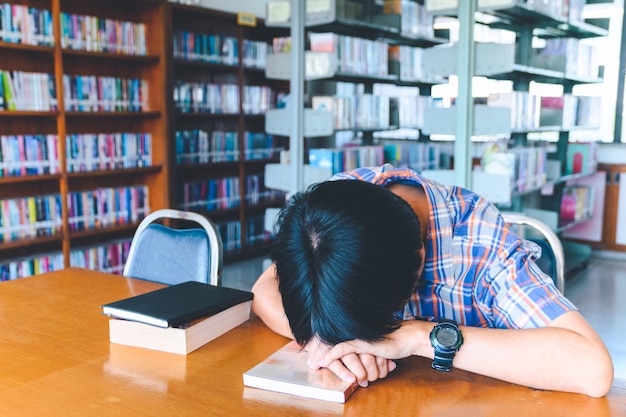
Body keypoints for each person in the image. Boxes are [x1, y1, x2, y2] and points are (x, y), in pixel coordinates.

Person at [251, 164, 614, 397]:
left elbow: (591, 369)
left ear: (419, 265)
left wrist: (416, 336)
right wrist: (327, 343)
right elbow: (263, 290)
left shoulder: (480, 240)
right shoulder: (334, 206)